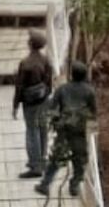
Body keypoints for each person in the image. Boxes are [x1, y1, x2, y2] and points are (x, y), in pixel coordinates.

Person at [35, 61, 97, 199]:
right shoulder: (90, 91)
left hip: (64, 131)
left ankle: (45, 184)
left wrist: (56, 121)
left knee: (56, 159)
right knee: (79, 160)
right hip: (79, 131)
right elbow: (93, 113)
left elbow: (52, 109)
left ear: (72, 74)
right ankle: (74, 184)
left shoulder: (62, 89)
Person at [12, 30, 53, 178]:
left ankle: (35, 167)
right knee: (43, 129)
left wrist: (15, 105)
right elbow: (49, 83)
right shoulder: (46, 61)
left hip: (30, 104)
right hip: (44, 100)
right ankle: (42, 161)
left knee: (32, 131)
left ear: (30, 44)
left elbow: (20, 87)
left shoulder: (25, 63)